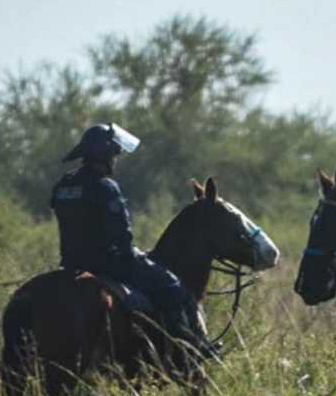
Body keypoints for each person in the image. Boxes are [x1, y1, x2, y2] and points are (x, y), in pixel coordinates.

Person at [50, 123, 220, 359]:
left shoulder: (63, 185)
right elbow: (121, 236)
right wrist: (133, 253)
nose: (116, 160)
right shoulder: (106, 187)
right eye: (114, 154)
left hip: (71, 263)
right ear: (106, 155)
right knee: (176, 290)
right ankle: (191, 351)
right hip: (110, 263)